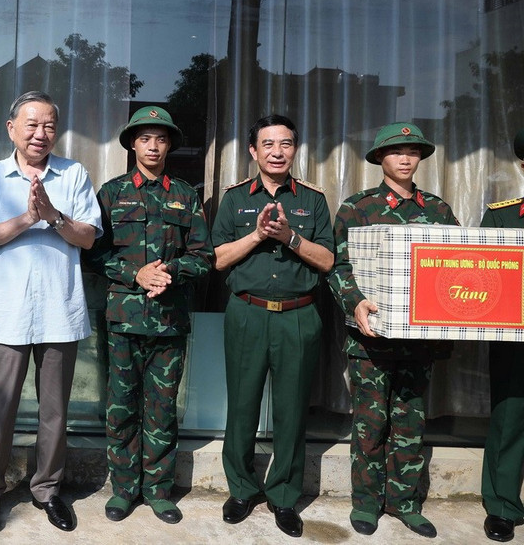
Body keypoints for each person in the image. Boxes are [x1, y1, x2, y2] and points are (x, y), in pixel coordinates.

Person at [0, 91, 101, 534]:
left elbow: (87, 238)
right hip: (8, 312)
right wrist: (28, 218)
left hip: (60, 310)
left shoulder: (74, 173)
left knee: (55, 411)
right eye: (31, 124)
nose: (40, 133)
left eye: (48, 126)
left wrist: (55, 215)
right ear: (11, 129)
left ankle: (47, 490)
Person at [327, 122, 457, 539]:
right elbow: (338, 265)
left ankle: (404, 503)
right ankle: (366, 503)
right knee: (370, 424)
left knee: (410, 424)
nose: (405, 158)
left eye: (413, 152)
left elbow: (454, 263)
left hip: (419, 340)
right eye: (396, 151)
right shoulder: (357, 207)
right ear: (380, 158)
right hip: (372, 338)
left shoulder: (437, 209)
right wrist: (354, 302)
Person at [212, 114, 334, 538]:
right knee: (242, 406)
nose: (277, 152)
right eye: (268, 144)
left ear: (295, 150)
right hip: (247, 313)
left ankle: (283, 495)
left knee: (291, 410)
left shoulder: (313, 200)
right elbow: (217, 258)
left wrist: (290, 239)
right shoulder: (233, 199)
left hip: (299, 315)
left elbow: (327, 260)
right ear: (253, 151)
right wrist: (259, 235)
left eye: (285, 144)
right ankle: (242, 489)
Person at [90, 106, 212, 524]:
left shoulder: (185, 194)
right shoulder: (110, 193)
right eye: (145, 138)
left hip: (169, 321)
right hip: (123, 319)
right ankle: (123, 489)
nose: (153, 146)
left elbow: (203, 257)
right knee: (121, 406)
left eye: (161, 139)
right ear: (132, 144)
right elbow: (93, 251)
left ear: (170, 145)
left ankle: (159, 490)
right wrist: (135, 273)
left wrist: (170, 272)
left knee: (161, 408)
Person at [478, 128, 524, 543]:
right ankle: (504, 504)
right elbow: (482, 282)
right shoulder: (502, 214)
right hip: (517, 338)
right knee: (511, 419)